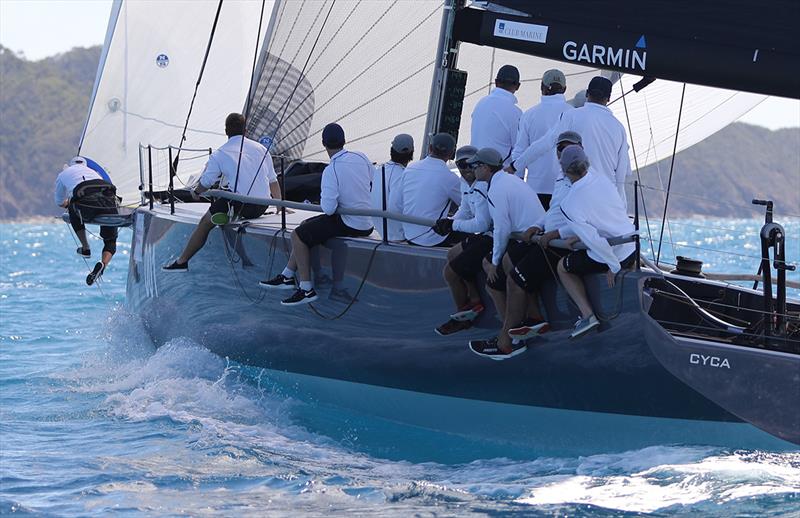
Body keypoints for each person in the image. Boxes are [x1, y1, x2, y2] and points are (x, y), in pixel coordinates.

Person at [259, 123, 374, 305]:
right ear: (344, 141)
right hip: (368, 222)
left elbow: (328, 209)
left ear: (323, 143)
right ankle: (287, 275)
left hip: (350, 223)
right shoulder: (361, 156)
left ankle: (306, 289)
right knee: (306, 226)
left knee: (298, 235)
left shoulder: (332, 169)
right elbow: (372, 182)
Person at [163, 113, 281, 272]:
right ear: (245, 130)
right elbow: (273, 181)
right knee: (224, 211)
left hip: (241, 205)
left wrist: (195, 192)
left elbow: (206, 183)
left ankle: (182, 261)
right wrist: (279, 206)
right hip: (262, 206)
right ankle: (242, 250)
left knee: (205, 222)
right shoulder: (261, 149)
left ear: (226, 131)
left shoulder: (220, 153)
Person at [499, 131, 585, 346]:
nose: (563, 151)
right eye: (560, 148)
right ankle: (534, 317)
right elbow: (554, 211)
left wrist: (555, 233)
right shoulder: (561, 175)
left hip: (560, 245)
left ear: (581, 149)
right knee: (509, 259)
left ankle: (506, 340)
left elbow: (584, 218)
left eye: (569, 147)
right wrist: (537, 225)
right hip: (547, 237)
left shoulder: (583, 180)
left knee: (515, 279)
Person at [465, 148, 545, 359]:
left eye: (474, 166)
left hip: (527, 240)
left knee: (492, 283)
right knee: (492, 265)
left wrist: (494, 261)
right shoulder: (509, 180)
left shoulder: (497, 189)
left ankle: (509, 338)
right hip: (533, 237)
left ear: (484, 167)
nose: (471, 170)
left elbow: (502, 228)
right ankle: (531, 318)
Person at [507, 76, 632, 207]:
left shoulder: (571, 116)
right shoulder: (619, 128)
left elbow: (544, 144)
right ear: (609, 98)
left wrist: (515, 166)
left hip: (574, 194)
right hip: (604, 198)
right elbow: (624, 173)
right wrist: (620, 208)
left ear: (587, 94)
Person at [555, 145, 637, 338]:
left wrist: (613, 265)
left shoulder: (568, 203)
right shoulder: (602, 180)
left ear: (564, 170)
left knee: (562, 266)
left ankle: (587, 315)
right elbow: (600, 219)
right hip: (631, 245)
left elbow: (593, 240)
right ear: (587, 162)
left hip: (612, 257)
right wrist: (566, 233)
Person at [432, 145, 493, 335]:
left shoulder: (483, 185)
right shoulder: (465, 183)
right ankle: (473, 302)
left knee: (451, 272)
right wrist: (449, 222)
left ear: (477, 165)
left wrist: (453, 226)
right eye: (460, 165)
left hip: (493, 237)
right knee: (452, 255)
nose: (465, 170)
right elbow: (465, 211)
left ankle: (464, 313)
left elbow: (482, 224)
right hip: (484, 236)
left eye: (469, 165)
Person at [509, 69, 573, 210]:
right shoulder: (573, 113)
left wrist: (517, 186)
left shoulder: (529, 115)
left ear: (541, 87)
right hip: (565, 190)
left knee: (534, 230)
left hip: (534, 189)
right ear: (565, 89)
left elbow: (519, 151)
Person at [55, 156, 119, 285]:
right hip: (108, 201)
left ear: (70, 165)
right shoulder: (95, 174)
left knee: (73, 209)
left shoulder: (63, 174)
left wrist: (69, 203)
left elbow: (59, 202)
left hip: (86, 204)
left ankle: (86, 247)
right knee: (110, 240)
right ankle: (103, 264)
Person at [390, 133, 462, 247]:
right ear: (451, 154)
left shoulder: (410, 169)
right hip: (433, 239)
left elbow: (396, 204)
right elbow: (468, 206)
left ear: (430, 148)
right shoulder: (450, 178)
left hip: (409, 235)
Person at [470, 65, 523, 166]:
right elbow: (519, 148)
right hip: (496, 174)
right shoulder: (516, 113)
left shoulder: (480, 103)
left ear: (496, 82)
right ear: (518, 86)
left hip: (475, 169)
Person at [371, 134, 414, 241]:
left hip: (381, 231)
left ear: (391, 150)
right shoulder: (404, 175)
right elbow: (395, 207)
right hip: (398, 236)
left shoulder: (379, 170)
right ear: (411, 153)